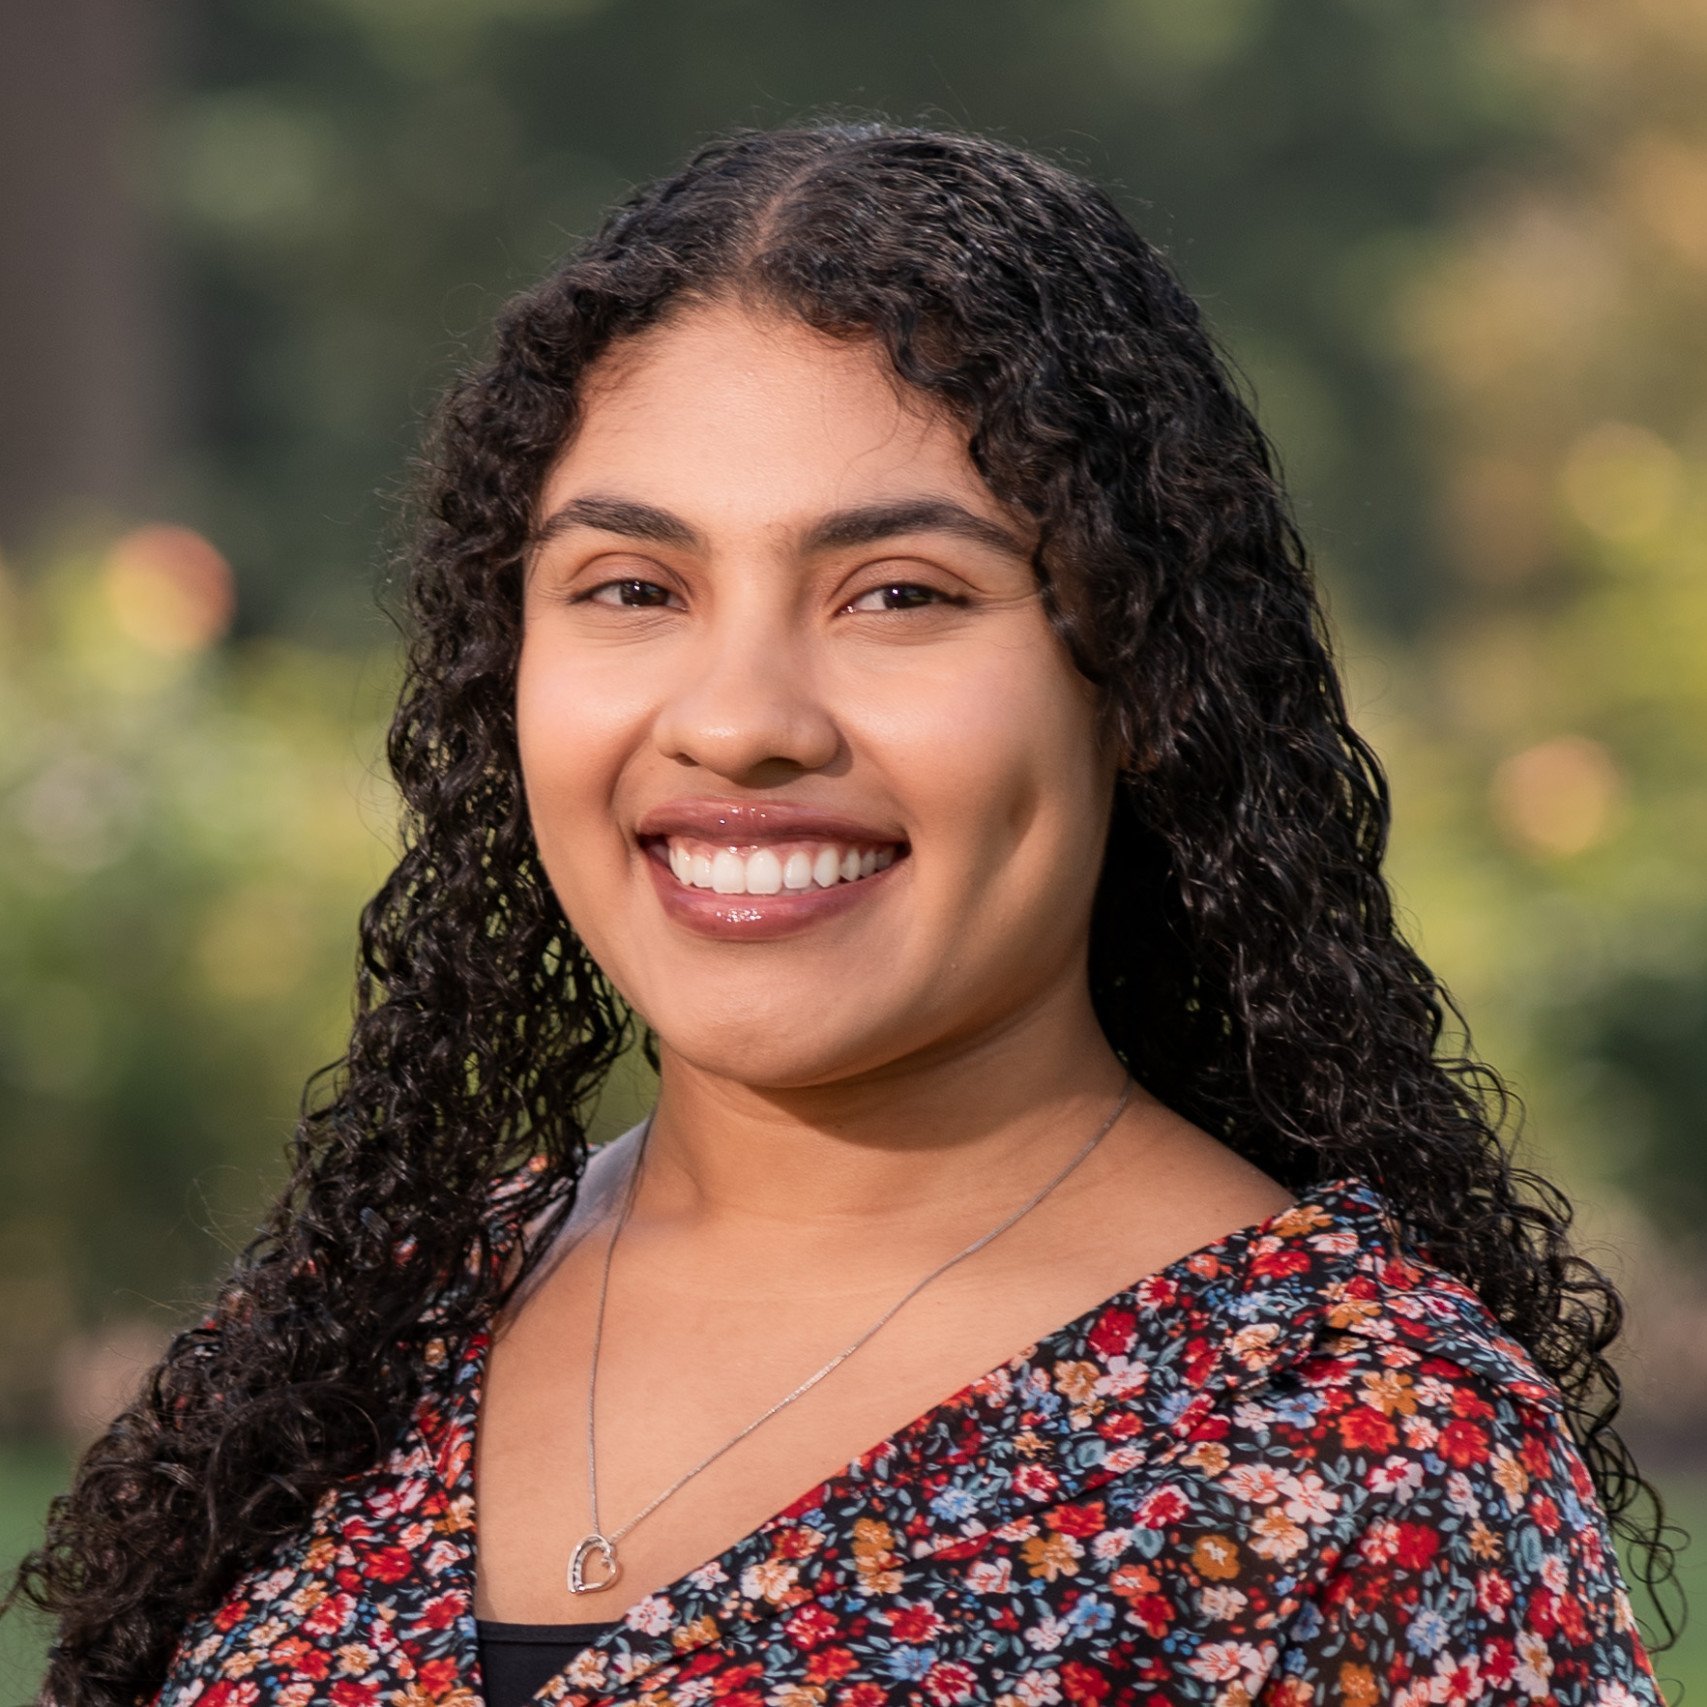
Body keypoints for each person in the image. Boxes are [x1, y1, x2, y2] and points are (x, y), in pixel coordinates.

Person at [7, 121, 1676, 1707]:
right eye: (634, 589)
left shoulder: (1356, 1462)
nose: (740, 720)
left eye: (899, 595)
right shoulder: (359, 1342)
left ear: (1136, 681)